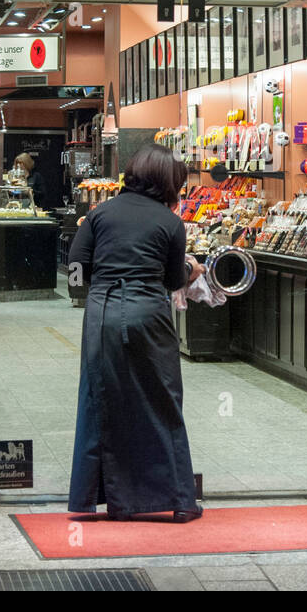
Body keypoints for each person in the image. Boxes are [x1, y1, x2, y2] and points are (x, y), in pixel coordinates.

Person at [67, 143, 205, 521]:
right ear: (168, 183)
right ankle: (177, 500)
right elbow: (173, 279)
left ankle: (104, 500)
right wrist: (192, 271)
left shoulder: (100, 214)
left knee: (100, 401)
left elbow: (75, 268)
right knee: (161, 402)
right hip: (148, 313)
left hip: (101, 314)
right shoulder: (170, 222)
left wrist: (101, 285)